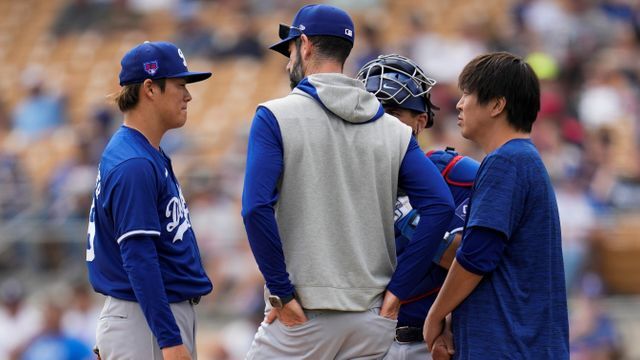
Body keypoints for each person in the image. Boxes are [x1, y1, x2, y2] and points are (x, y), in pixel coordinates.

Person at [241, 4, 455, 359]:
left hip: (303, 315)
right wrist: (396, 294)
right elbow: (440, 205)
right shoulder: (393, 129)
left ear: (305, 45)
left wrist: (281, 292)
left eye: (291, 48)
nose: (288, 59)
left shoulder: (274, 115)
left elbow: (254, 208)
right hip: (371, 321)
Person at [423, 52, 569, 358]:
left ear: (497, 105)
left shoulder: (508, 160)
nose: (459, 104)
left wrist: (435, 315)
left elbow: (478, 255)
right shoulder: (521, 158)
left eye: (468, 94)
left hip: (509, 346)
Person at [86, 41, 213, 360]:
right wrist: (169, 339)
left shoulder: (142, 152)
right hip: (146, 323)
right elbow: (138, 257)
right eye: (180, 84)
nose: (188, 95)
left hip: (150, 319)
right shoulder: (135, 163)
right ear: (150, 89)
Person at [358, 54, 480, 360]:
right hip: (358, 342)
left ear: (420, 121)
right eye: (373, 110)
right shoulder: (344, 180)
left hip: (426, 345)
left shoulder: (454, 172)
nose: (379, 121)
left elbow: (471, 258)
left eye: (393, 112)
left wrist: (404, 210)